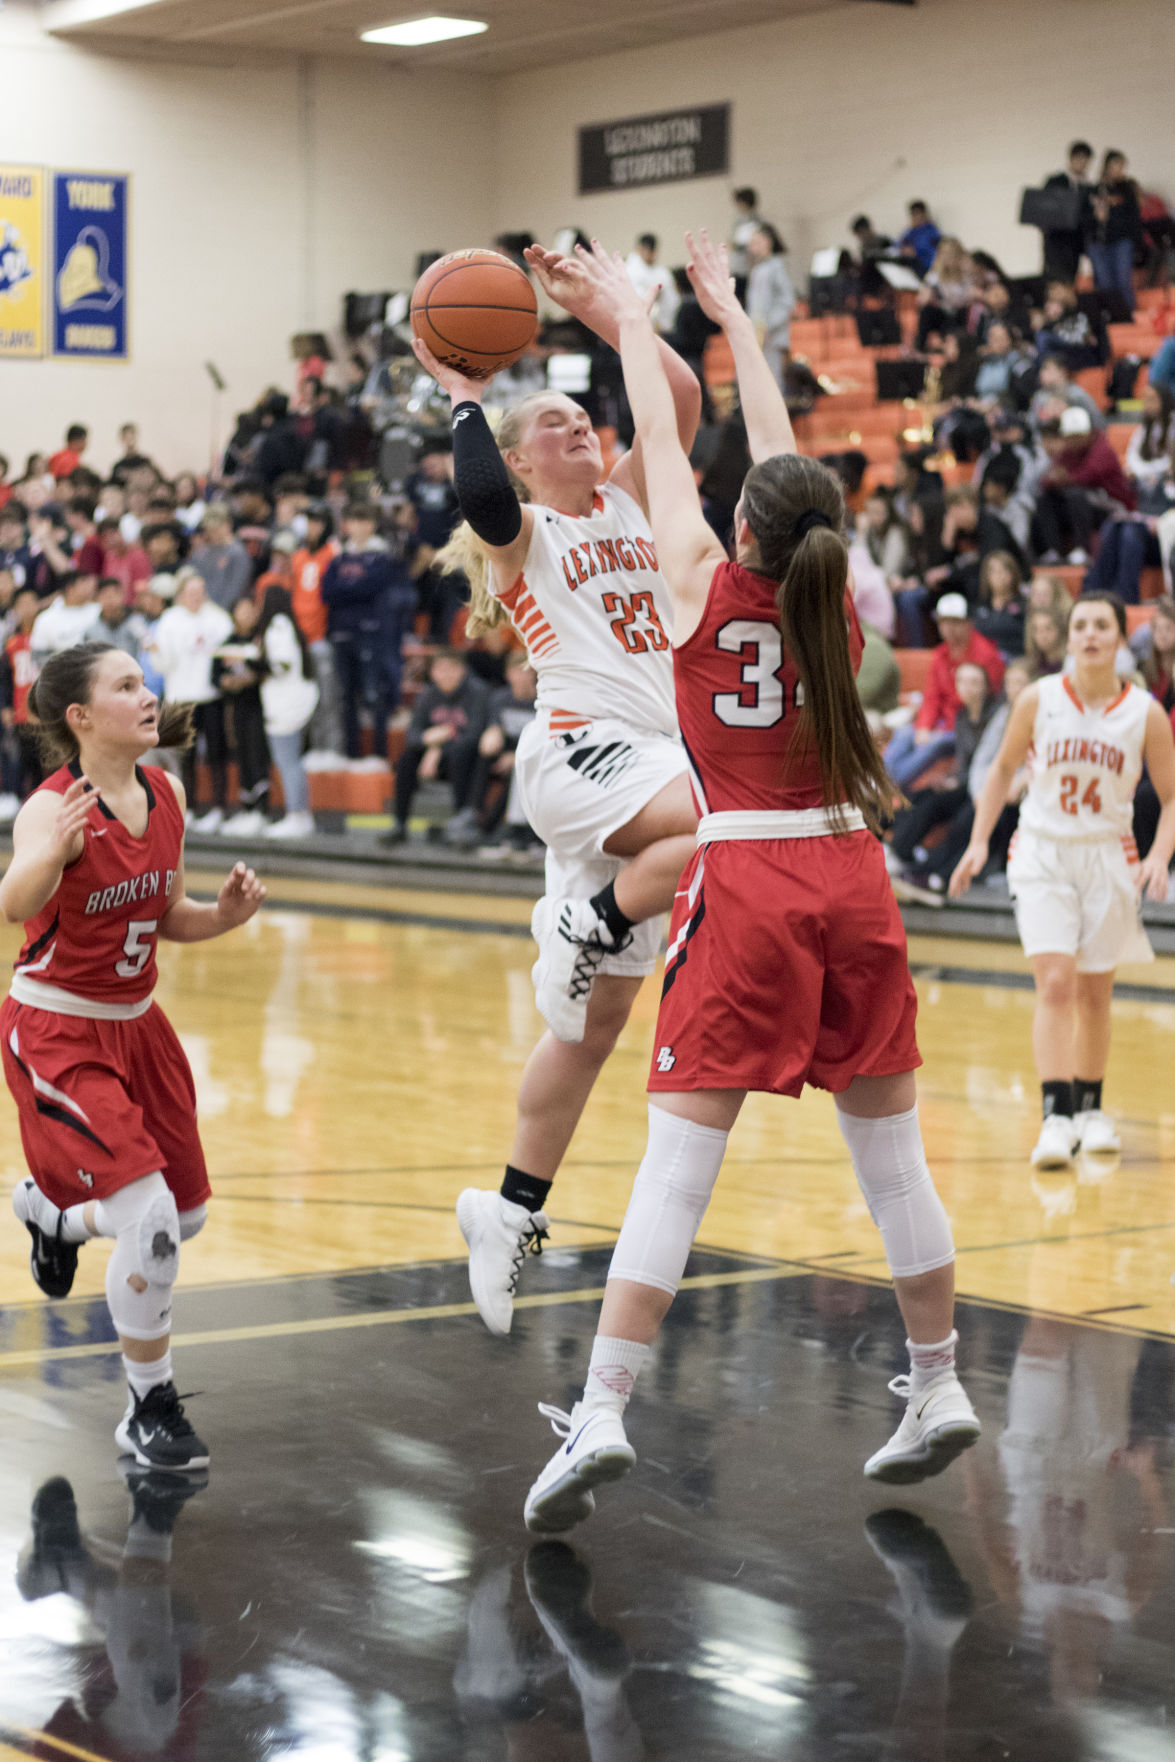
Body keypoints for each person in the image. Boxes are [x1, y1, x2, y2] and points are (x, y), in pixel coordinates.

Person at [521, 231, 979, 1536]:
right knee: (890, 1156)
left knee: (678, 1165)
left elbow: (662, 446)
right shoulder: (838, 597)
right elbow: (778, 464)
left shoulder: (691, 585)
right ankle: (935, 1381)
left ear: (740, 525)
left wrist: (628, 315)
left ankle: (602, 1405)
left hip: (751, 876)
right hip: (853, 870)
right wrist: (721, 313)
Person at [413, 235, 703, 1336]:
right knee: (729, 824)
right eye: (551, 425)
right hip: (586, 752)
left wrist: (604, 309)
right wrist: (464, 401)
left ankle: (510, 1206)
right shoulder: (523, 533)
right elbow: (482, 493)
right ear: (523, 461)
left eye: (580, 416)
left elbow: (671, 388)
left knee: (597, 1027)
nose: (575, 425)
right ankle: (578, 917)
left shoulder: (633, 499)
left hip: (649, 757)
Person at [1, 642, 266, 1469]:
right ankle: (147, 1407)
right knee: (148, 1221)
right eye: (126, 686)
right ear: (81, 718)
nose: (148, 695)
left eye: (144, 681)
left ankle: (54, 1216)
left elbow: (166, 915)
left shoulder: (167, 790)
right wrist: (51, 853)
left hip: (139, 1026)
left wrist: (220, 916)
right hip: (58, 1031)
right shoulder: (53, 809)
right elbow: (14, 906)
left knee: (180, 1219)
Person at [951, 592, 1175, 1167]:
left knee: (1096, 993)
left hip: (1108, 856)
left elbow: (1171, 798)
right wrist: (978, 842)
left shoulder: (1144, 712)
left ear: (1123, 638)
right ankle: (1056, 1113)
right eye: (1081, 625)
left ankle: (1092, 1109)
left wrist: (1159, 855)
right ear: (1068, 637)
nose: (1090, 634)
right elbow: (1002, 770)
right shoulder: (1039, 698)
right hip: (1043, 854)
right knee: (1054, 981)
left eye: (1103, 625)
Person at [884, 594, 1005, 789]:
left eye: (955, 622)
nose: (948, 628)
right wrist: (923, 726)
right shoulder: (940, 654)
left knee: (933, 745)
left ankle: (890, 786)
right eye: (944, 622)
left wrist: (935, 730)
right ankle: (880, 780)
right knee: (904, 733)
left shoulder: (985, 655)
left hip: (966, 726)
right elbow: (931, 697)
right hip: (942, 723)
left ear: (968, 623)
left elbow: (992, 700)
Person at [149, 573, 234, 832]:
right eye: (191, 592)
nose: (196, 597)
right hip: (179, 697)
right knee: (184, 757)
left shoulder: (218, 618)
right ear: (181, 594)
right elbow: (162, 662)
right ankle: (188, 809)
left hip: (211, 695)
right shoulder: (169, 620)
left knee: (217, 753)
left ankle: (219, 808)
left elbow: (228, 648)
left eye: (200, 591)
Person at [388, 649, 488, 845]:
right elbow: (413, 734)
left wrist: (438, 748)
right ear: (432, 673)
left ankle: (460, 824)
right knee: (407, 759)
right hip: (435, 756)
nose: (446, 675)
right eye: (440, 670)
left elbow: (474, 735)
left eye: (451, 669)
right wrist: (430, 743)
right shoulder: (428, 695)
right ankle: (400, 823)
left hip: (464, 757)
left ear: (462, 671)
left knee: (461, 754)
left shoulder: (478, 692)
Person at [255, 583, 318, 839]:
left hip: (285, 707)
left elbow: (280, 665)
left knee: (288, 762)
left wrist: (253, 662)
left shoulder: (277, 626)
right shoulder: (288, 625)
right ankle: (300, 814)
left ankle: (297, 815)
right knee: (292, 761)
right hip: (292, 702)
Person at [211, 597, 270, 836]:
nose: (246, 615)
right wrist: (228, 682)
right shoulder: (226, 644)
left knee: (258, 756)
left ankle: (262, 810)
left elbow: (267, 669)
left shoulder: (262, 640)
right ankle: (247, 809)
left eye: (250, 609)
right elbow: (215, 677)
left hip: (260, 707)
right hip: (236, 708)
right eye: (241, 610)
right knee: (242, 755)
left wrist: (251, 675)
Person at [1090, 151, 1142, 317]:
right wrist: (1098, 217)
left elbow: (1134, 218)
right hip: (1099, 243)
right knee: (1105, 283)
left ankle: (1129, 315)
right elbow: (1085, 218)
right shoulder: (1094, 189)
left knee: (1123, 281)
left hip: (1122, 241)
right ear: (1107, 166)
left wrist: (1138, 245)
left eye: (1122, 166)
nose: (1120, 170)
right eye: (1116, 166)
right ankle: (1110, 317)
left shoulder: (1126, 190)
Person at [745, 224, 795, 392]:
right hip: (758, 334)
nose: (753, 246)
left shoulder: (776, 266)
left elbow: (787, 301)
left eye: (757, 241)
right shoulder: (756, 269)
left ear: (768, 242)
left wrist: (768, 325)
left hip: (772, 335)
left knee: (773, 382)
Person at [1041, 141, 1094, 283]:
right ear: (1071, 159)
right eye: (1079, 159)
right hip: (1056, 240)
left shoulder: (1088, 187)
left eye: (1085, 160)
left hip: (1076, 241)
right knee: (1055, 279)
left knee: (1071, 278)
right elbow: (1044, 207)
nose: (1082, 163)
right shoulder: (1056, 181)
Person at [898, 201, 942, 277]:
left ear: (924, 214)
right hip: (911, 263)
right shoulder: (910, 230)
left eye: (917, 214)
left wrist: (915, 251)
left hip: (925, 265)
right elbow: (899, 243)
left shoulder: (932, 231)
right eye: (913, 215)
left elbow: (930, 249)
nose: (915, 217)